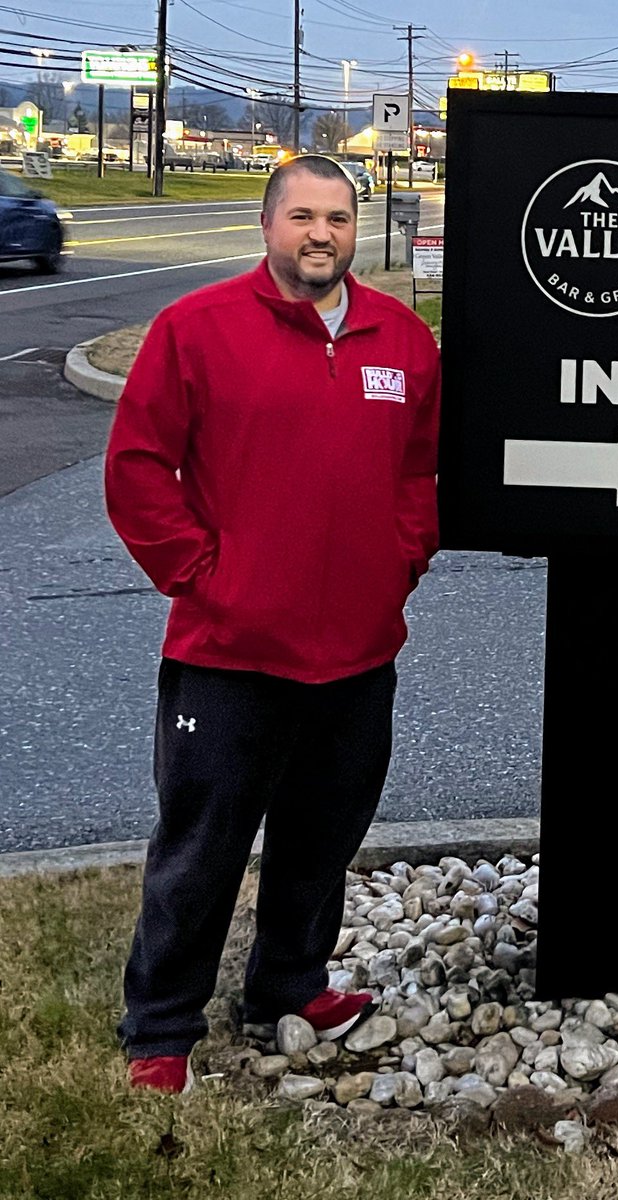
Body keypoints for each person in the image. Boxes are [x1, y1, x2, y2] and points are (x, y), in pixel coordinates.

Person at [105, 154, 439, 1093]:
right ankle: (163, 1024)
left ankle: (289, 983)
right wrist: (201, 575)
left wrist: (400, 563)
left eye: (336, 217)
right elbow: (137, 467)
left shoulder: (403, 341)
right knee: (200, 848)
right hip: (229, 652)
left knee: (320, 839)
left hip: (358, 654)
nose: (320, 234)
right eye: (302, 216)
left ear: (355, 229)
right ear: (268, 225)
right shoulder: (196, 331)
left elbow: (420, 474)